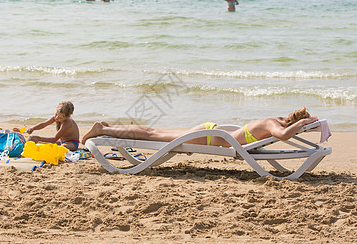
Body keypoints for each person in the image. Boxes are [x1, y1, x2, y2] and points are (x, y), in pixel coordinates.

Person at [82, 108, 318, 147]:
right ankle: (103, 131)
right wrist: (303, 123)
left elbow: (286, 128)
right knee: (154, 136)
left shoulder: (274, 118)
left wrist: (307, 121)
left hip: (209, 132)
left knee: (156, 132)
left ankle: (108, 127)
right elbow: (285, 136)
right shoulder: (274, 124)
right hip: (208, 137)